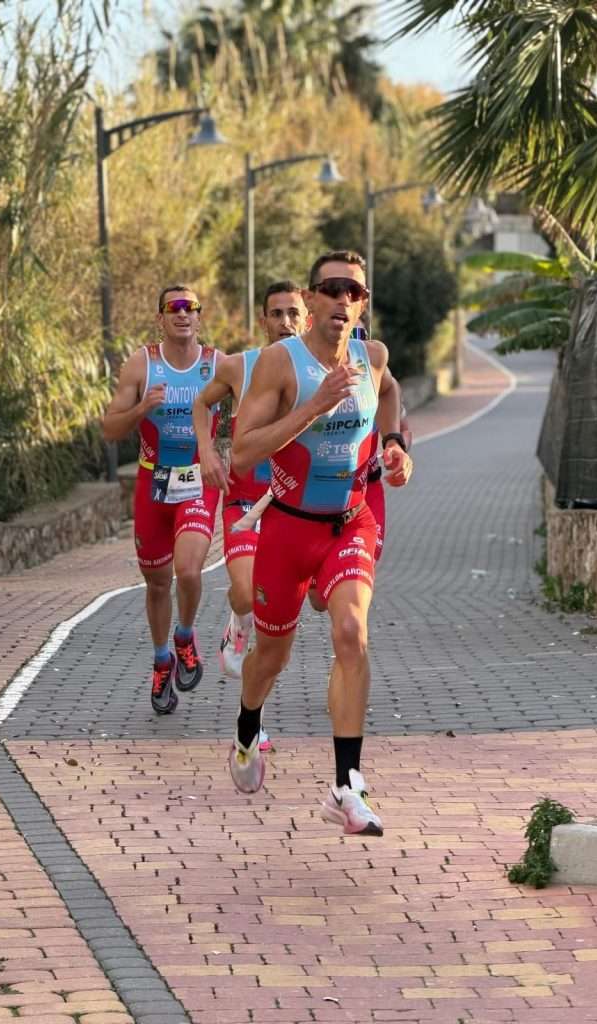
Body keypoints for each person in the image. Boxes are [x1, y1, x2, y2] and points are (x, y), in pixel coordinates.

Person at [227, 250, 413, 836]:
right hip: (287, 530)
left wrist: (394, 445)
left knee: (352, 633)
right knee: (271, 658)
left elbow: (389, 394)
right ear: (310, 300)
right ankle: (247, 727)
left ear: (362, 305)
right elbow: (243, 451)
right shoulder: (281, 364)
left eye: (354, 292)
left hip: (350, 523)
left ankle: (346, 786)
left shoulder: (372, 357)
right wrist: (314, 406)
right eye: (332, 289)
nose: (343, 299)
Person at [102, 285, 223, 715]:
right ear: (161, 318)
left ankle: (185, 636)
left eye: (191, 307)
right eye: (174, 308)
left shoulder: (217, 364)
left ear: (199, 316)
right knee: (157, 582)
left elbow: (257, 406)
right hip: (153, 482)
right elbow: (109, 429)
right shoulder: (143, 364)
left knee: (188, 570)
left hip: (197, 480)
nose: (183, 314)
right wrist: (141, 409)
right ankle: (161, 661)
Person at [192, 281, 308, 679]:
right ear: (264, 321)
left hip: (298, 506)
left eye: (293, 313)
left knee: (303, 605)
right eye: (276, 314)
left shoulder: (319, 371)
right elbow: (201, 403)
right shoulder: (239, 366)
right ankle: (238, 625)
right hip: (245, 502)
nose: (285, 322)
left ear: (307, 319)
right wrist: (207, 450)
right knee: (245, 594)